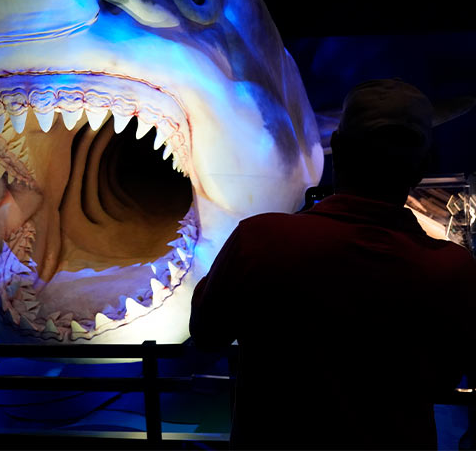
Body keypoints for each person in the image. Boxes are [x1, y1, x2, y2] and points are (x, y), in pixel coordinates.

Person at [189, 78, 476, 450]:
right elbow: (445, 379)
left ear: (337, 147)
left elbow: (207, 336)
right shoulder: (453, 269)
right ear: (422, 165)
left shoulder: (259, 239)